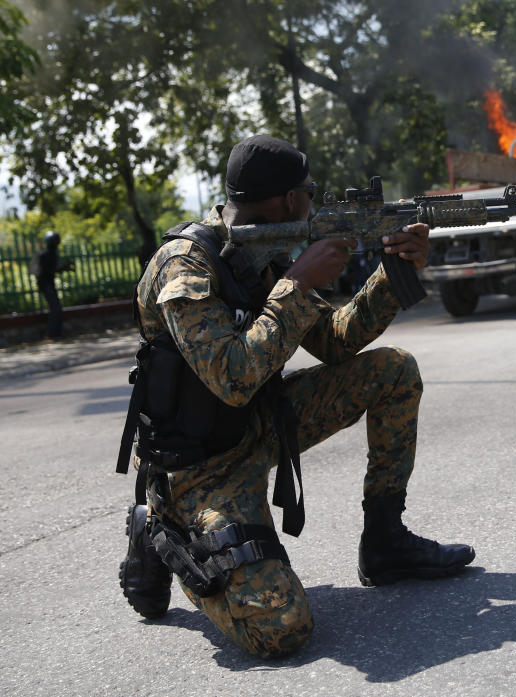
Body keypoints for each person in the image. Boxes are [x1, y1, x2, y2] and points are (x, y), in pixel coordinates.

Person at [117, 135, 475, 658]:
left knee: (394, 371)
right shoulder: (186, 265)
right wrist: (297, 287)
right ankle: (161, 533)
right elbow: (231, 378)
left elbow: (334, 342)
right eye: (310, 191)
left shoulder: (263, 256)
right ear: (288, 200)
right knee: (280, 629)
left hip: (263, 423)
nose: (315, 200)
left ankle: (385, 542)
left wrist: (396, 273)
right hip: (202, 466)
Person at [32, 230, 73, 338]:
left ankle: (56, 333)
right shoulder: (45, 255)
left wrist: (64, 268)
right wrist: (63, 268)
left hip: (49, 283)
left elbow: (52, 270)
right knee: (55, 308)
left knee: (56, 307)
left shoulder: (52, 254)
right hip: (46, 284)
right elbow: (47, 271)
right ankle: (52, 334)